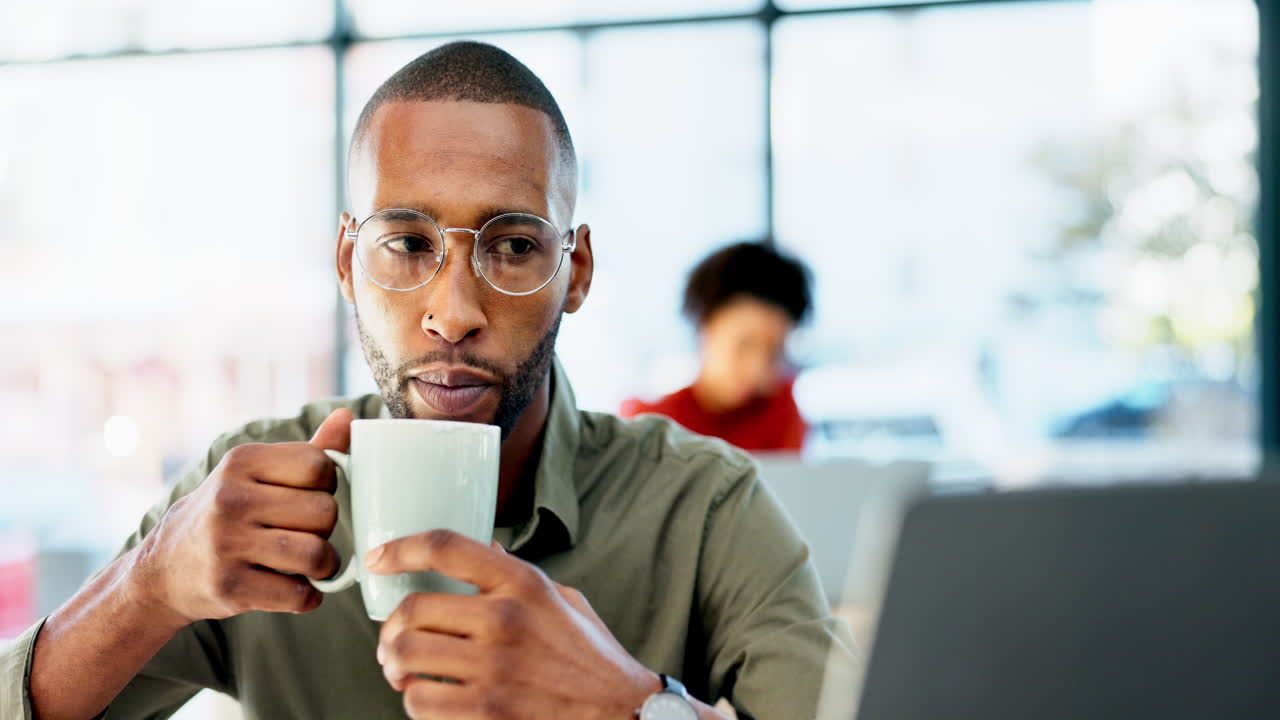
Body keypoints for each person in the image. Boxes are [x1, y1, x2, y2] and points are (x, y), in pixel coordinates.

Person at [1, 42, 855, 720]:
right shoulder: (246, 491)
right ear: (347, 261)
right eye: (407, 244)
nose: (453, 313)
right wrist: (147, 585)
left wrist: (633, 710)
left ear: (577, 270)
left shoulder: (703, 508)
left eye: (514, 246)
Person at [622, 242, 812, 453]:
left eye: (774, 352)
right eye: (744, 344)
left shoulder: (780, 411)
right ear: (705, 327)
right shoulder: (652, 425)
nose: (757, 368)